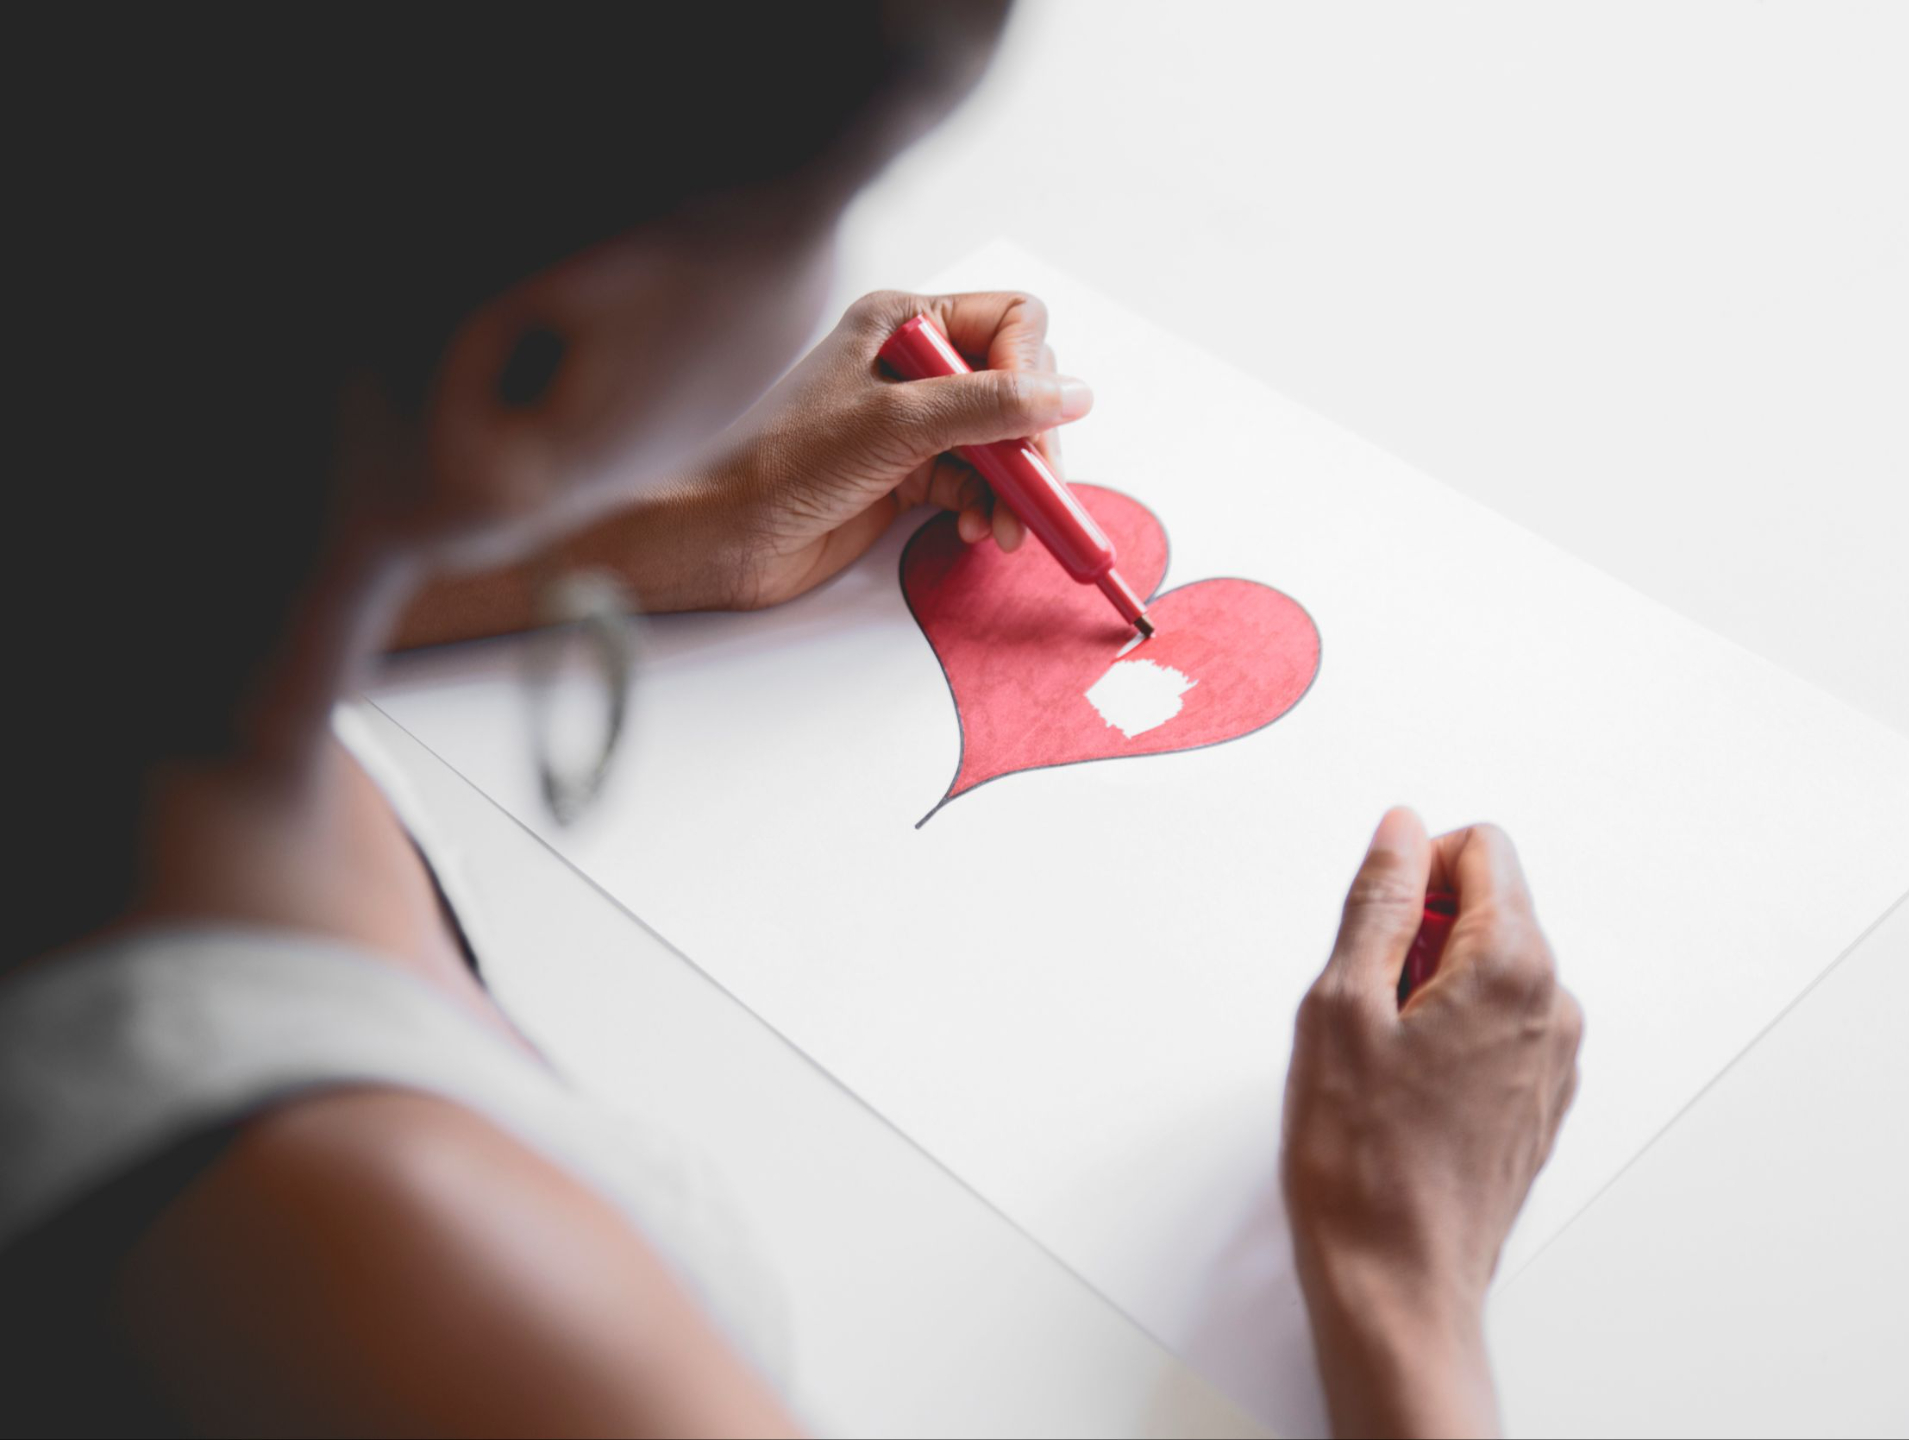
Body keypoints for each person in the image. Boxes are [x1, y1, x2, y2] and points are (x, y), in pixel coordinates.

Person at [3, 5, 1581, 1436]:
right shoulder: (429, 1299)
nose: (856, 288)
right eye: (828, 219)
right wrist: (1405, 1293)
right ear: (526, 360)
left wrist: (602, 515)